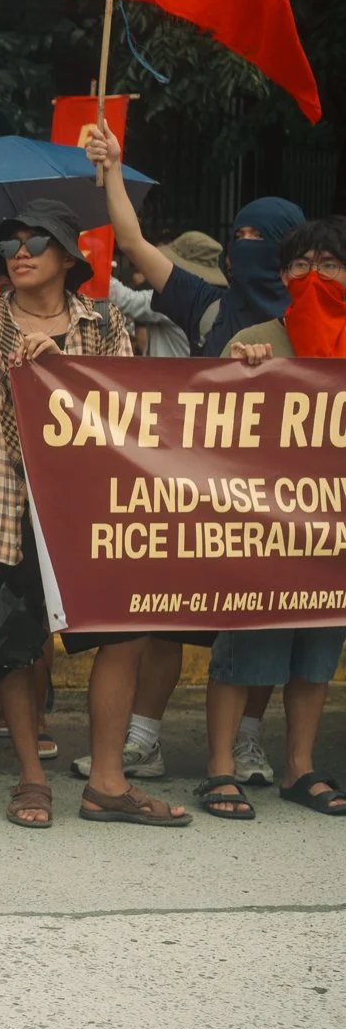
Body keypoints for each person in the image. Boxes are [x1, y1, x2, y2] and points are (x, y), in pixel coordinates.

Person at [0, 200, 189, 830]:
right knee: (16, 644)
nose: (18, 252)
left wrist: (61, 371)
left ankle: (107, 781)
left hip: (89, 507)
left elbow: (132, 416)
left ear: (69, 258)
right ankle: (29, 777)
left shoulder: (101, 327)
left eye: (36, 241)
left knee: (123, 634)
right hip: (5, 506)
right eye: (11, 243)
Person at [193, 217, 346, 820]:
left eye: (330, 266)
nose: (315, 277)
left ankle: (299, 770)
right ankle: (219, 770)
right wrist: (240, 375)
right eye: (302, 267)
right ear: (283, 277)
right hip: (263, 534)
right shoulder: (253, 341)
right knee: (244, 653)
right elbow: (209, 431)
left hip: (333, 537)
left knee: (316, 656)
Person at [85, 125, 303, 357]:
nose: (245, 244)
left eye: (258, 236)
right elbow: (132, 243)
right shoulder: (205, 305)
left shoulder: (320, 321)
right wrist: (112, 168)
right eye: (239, 236)